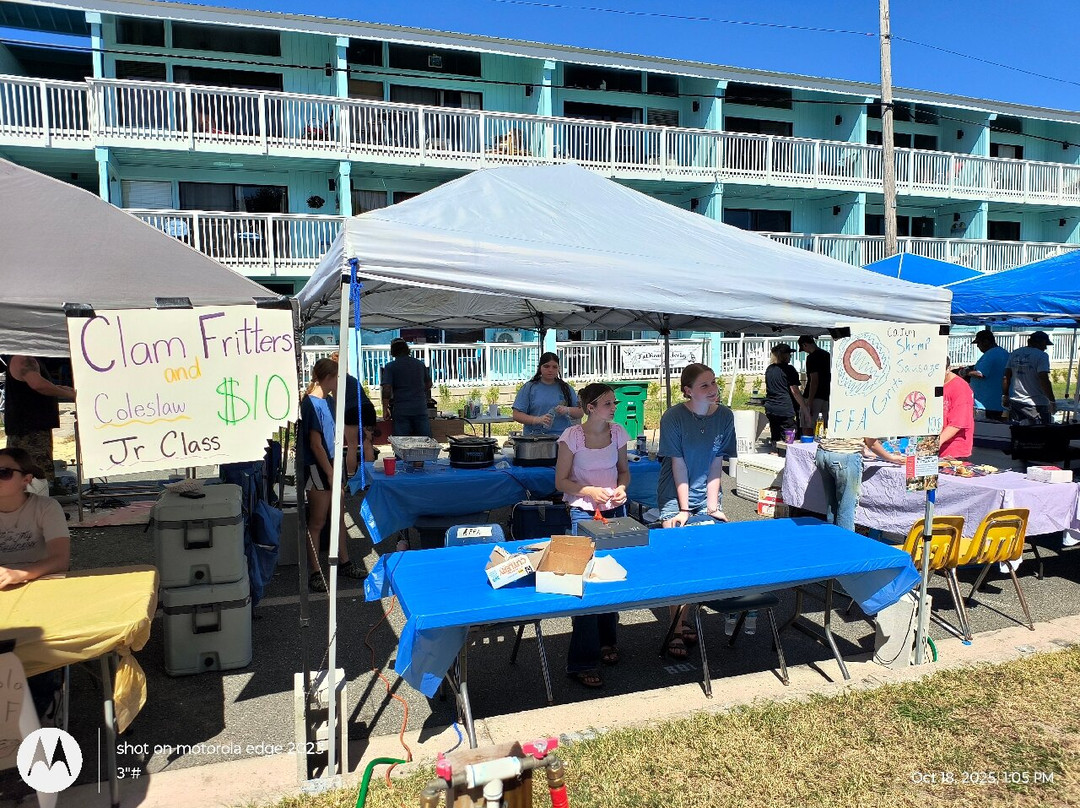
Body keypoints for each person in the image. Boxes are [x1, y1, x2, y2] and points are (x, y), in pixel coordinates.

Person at [655, 363, 737, 660]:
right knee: (679, 559)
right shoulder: (673, 417)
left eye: (714, 383)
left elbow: (717, 462)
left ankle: (686, 616)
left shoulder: (725, 416)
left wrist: (713, 507)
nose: (713, 389)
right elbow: (678, 464)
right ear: (688, 391)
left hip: (708, 492)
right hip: (675, 494)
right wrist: (684, 509)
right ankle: (676, 626)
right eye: (704, 385)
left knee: (701, 557)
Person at [554, 383, 630, 688]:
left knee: (612, 578)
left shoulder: (618, 432)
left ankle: (607, 639)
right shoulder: (571, 437)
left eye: (614, 402)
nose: (614, 407)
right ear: (591, 408)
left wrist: (622, 489)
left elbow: (623, 471)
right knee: (585, 584)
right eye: (609, 403)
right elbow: (561, 481)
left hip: (614, 511)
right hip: (582, 513)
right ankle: (582, 660)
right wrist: (589, 491)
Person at [0, 447, 70, 724]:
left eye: (3, 472)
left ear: (26, 479)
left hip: (42, 588)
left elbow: (60, 559)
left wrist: (20, 574)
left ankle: (41, 705)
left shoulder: (46, 507)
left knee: (34, 645)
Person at [301, 358, 366, 593]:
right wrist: (330, 474)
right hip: (318, 468)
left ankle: (344, 561)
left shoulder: (328, 401)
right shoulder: (310, 403)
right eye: (337, 377)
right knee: (318, 521)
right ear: (328, 378)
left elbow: (333, 433)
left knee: (339, 518)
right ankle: (315, 572)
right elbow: (315, 444)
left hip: (332, 464)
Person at [3, 356, 75, 487]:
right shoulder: (24, 358)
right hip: (30, 432)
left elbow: (38, 383)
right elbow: (38, 384)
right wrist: (70, 395)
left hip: (29, 430)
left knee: (28, 477)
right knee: (35, 478)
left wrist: (63, 389)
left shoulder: (26, 358)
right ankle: (34, 506)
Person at [815, 437, 904, 532]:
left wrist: (864, 450)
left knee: (832, 506)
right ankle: (845, 543)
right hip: (845, 457)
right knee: (846, 509)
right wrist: (891, 458)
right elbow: (872, 443)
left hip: (823, 453)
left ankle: (832, 540)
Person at [512, 352, 583, 436]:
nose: (550, 370)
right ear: (540, 368)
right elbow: (516, 415)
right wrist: (537, 420)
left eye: (554, 367)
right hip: (535, 438)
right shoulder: (529, 388)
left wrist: (567, 410)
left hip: (562, 438)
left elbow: (580, 412)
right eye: (546, 366)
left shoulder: (566, 388)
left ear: (558, 369)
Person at [380, 338, 433, 438]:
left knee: (402, 444)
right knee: (426, 443)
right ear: (407, 349)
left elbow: (386, 389)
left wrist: (385, 409)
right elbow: (429, 383)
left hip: (402, 410)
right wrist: (419, 391)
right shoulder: (420, 364)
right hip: (420, 408)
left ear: (393, 351)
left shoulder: (391, 367)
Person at [1003, 331, 1056, 426]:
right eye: (1044, 344)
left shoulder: (1015, 353)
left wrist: (1005, 395)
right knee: (1040, 433)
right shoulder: (1042, 356)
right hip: (1036, 403)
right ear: (1038, 343)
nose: (1045, 348)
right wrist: (1051, 400)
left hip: (1016, 401)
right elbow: (1043, 378)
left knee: (1019, 432)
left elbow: (1006, 376)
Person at [763, 343, 808, 445]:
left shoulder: (769, 369)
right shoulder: (789, 370)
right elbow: (795, 391)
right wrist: (803, 406)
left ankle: (775, 450)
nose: (790, 356)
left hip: (770, 406)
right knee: (789, 434)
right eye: (789, 354)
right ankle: (786, 452)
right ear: (784, 355)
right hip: (785, 407)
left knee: (775, 432)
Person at [962, 329, 1010, 420]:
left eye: (978, 343)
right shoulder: (1003, 352)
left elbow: (980, 374)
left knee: (984, 431)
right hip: (998, 403)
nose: (978, 346)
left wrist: (965, 372)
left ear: (986, 341)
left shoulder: (990, 354)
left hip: (985, 404)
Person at [940, 358, 975, 459]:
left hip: (954, 451)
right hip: (934, 447)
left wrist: (934, 445)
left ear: (948, 369)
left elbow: (957, 424)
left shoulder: (960, 388)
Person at [797, 335, 831, 432]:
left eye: (803, 348)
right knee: (824, 427)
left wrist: (809, 401)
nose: (805, 351)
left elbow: (814, 380)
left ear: (805, 345)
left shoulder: (812, 357)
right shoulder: (827, 355)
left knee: (808, 426)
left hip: (814, 396)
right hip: (826, 395)